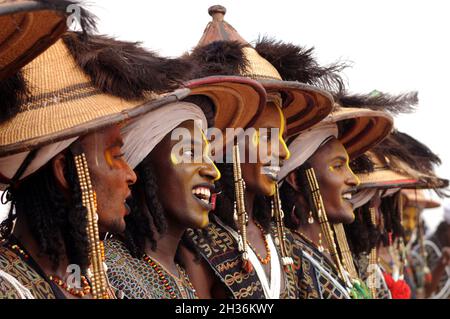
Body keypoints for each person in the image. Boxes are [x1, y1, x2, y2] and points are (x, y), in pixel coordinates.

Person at [0, 31, 194, 299]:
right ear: (64, 173)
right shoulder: (8, 287)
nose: (131, 174)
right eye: (115, 155)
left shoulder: (97, 284)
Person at [179, 5, 337, 299]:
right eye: (266, 136)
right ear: (225, 140)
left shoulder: (282, 241)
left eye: (283, 138)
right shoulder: (194, 242)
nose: (283, 153)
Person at [104, 74, 269, 298]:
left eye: (209, 155)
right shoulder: (110, 273)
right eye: (190, 152)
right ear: (142, 164)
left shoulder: (181, 275)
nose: (213, 171)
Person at [278, 92, 394, 299]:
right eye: (338, 166)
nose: (354, 180)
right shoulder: (287, 257)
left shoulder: (339, 255)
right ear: (296, 179)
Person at [347, 129, 448, 299]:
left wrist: (442, 265)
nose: (407, 224)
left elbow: (422, 294)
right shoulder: (357, 258)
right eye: (376, 201)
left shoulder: (400, 256)